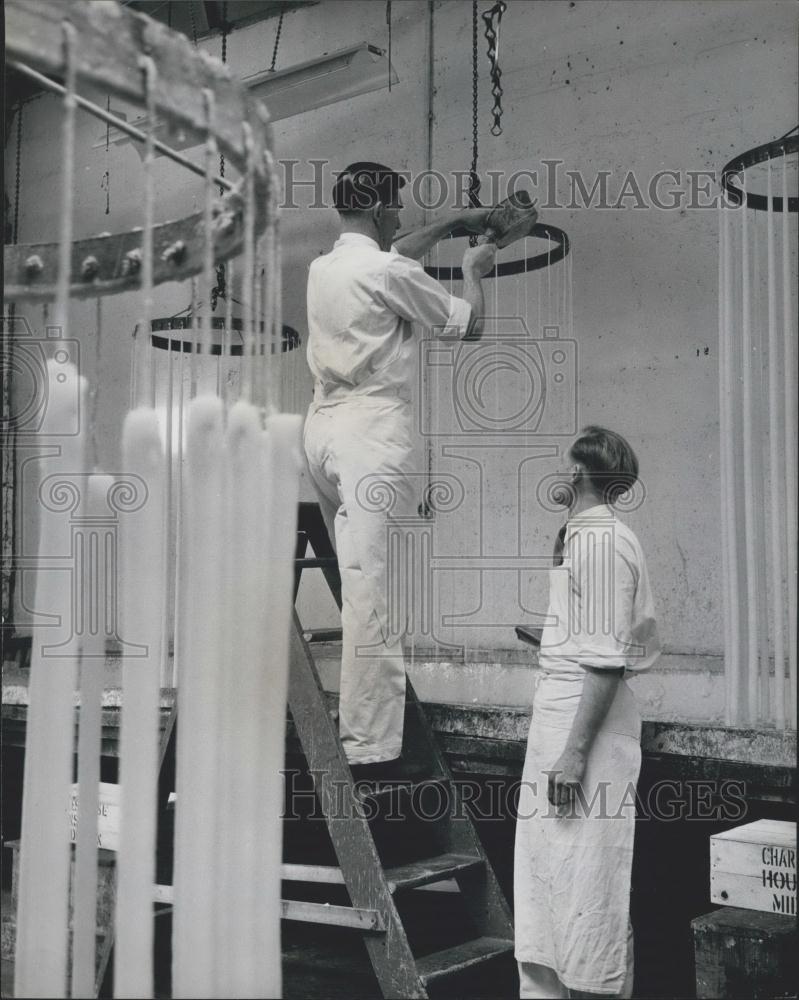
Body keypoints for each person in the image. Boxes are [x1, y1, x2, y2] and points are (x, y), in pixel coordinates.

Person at [303, 161, 497, 778]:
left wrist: (457, 221)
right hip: (368, 434)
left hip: (319, 434)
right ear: (385, 210)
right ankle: (368, 747)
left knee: (358, 580)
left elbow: (396, 253)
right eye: (399, 210)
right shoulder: (389, 270)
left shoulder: (326, 266)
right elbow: (470, 328)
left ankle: (364, 729)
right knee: (369, 592)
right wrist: (472, 273)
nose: (402, 220)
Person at [514, 425, 660, 999]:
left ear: (576, 473)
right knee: (549, 879)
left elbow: (604, 662)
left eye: (563, 462)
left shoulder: (601, 543)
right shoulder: (583, 537)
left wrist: (574, 753)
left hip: (585, 727)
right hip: (562, 713)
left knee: (587, 886)